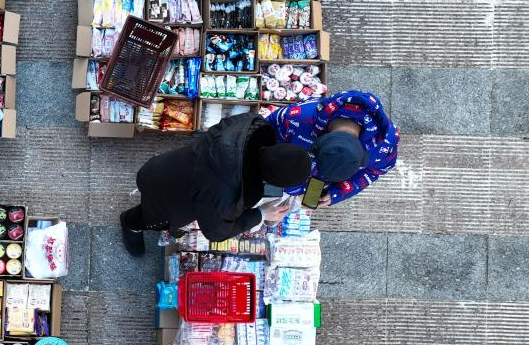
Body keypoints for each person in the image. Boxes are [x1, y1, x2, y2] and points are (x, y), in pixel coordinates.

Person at [119, 112, 311, 256]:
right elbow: (216, 231)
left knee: (159, 196)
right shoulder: (228, 192)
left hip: (166, 166)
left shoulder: (251, 124)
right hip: (169, 197)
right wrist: (261, 214)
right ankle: (130, 223)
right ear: (272, 181)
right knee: (148, 216)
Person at [265, 89, 399, 205]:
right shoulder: (297, 117)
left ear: (363, 156)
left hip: (297, 184)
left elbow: (373, 172)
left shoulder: (385, 144)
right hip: (272, 170)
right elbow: (263, 130)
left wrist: (338, 193)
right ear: (315, 144)